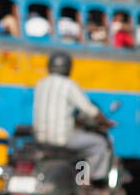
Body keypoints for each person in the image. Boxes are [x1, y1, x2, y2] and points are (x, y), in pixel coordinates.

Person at [32, 51, 111, 179]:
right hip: (63, 139)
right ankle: (88, 180)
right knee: (99, 143)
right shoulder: (68, 85)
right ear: (68, 67)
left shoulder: (40, 84)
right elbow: (89, 110)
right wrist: (105, 122)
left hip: (40, 138)